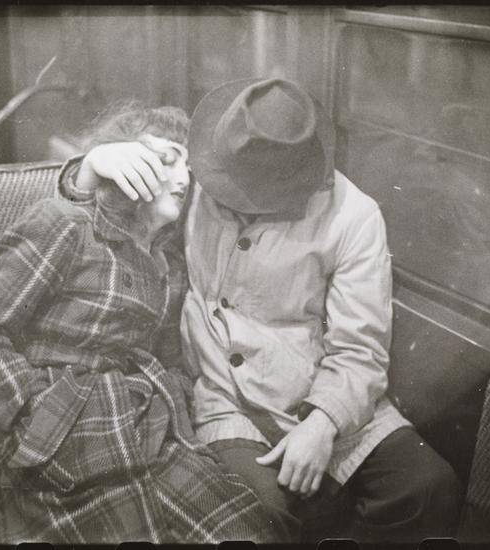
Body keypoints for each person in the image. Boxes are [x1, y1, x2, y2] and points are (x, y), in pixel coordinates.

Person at [59, 79, 463, 542]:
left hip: (325, 390)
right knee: (255, 515)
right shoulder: (200, 175)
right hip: (226, 400)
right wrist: (87, 169)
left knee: (430, 488)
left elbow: (360, 348)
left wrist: (324, 422)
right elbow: (99, 225)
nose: (229, 199)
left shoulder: (355, 215)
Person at [0, 103, 286, 544]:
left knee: (247, 532)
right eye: (167, 160)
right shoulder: (68, 226)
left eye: (188, 167)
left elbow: (168, 357)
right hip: (57, 444)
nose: (184, 178)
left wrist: (175, 405)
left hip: (144, 430)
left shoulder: (169, 264)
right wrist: (36, 412)